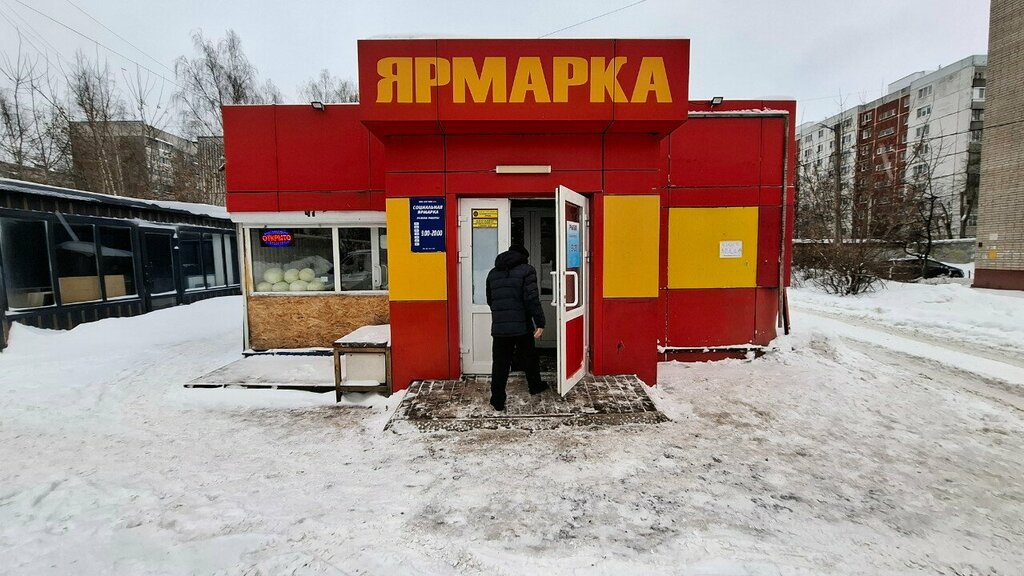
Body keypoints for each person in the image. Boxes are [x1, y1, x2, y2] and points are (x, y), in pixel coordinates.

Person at [485, 244, 548, 411]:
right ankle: (535, 386)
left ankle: (497, 399)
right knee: (529, 357)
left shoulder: (493, 273)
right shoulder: (527, 270)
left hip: (499, 327)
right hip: (522, 325)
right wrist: (540, 322)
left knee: (500, 363)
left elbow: (490, 300)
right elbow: (532, 299)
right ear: (523, 257)